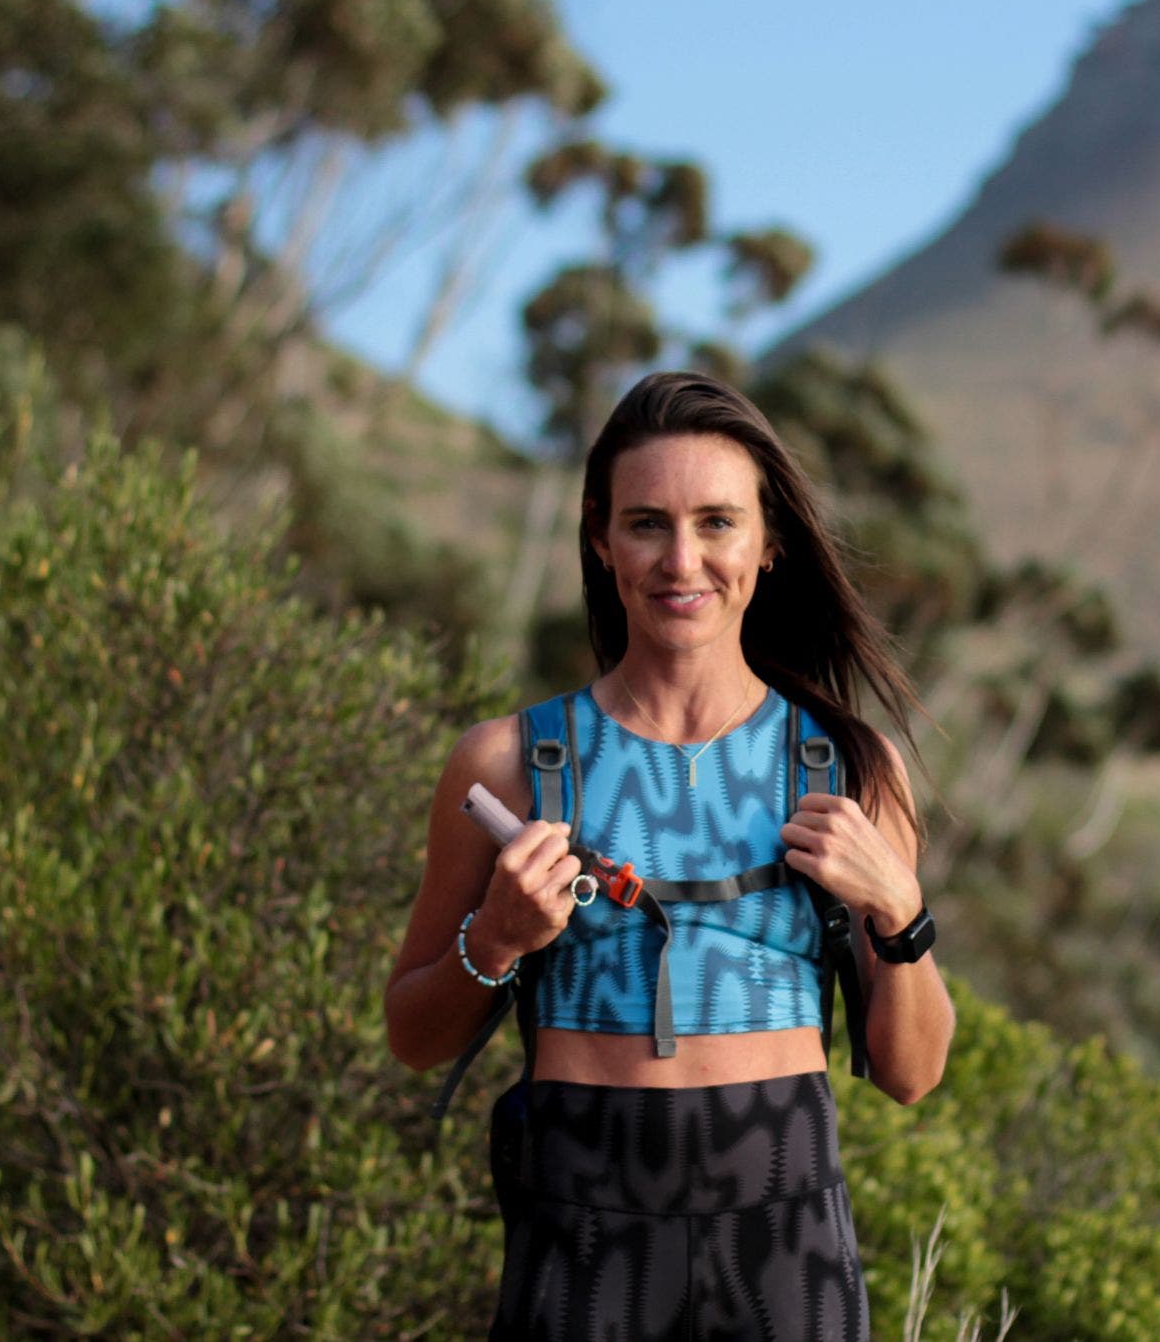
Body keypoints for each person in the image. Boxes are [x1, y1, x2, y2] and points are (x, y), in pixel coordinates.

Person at [384, 369, 954, 1340]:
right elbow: (414, 1034)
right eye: (647, 523)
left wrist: (898, 913)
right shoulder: (509, 764)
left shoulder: (848, 768)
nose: (682, 559)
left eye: (717, 523)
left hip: (786, 1237)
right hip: (583, 1232)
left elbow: (913, 1072)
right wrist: (501, 936)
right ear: (601, 540)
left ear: (768, 544)